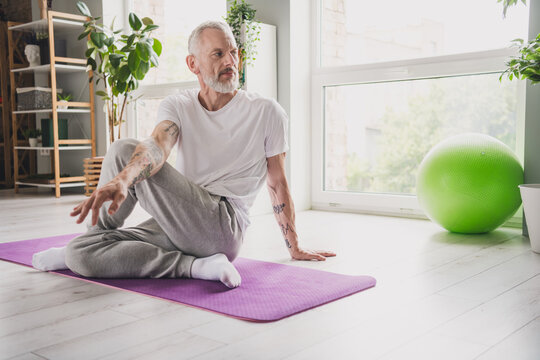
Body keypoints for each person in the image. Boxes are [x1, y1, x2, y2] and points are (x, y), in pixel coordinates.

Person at [32, 20, 336, 288]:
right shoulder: (179, 105)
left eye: (233, 52)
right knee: (80, 255)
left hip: (222, 226)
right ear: (193, 64)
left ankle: (195, 257)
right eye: (218, 54)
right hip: (182, 221)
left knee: (124, 149)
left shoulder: (267, 111)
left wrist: (294, 245)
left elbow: (277, 182)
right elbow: (158, 145)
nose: (230, 60)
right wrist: (124, 180)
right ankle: (193, 265)